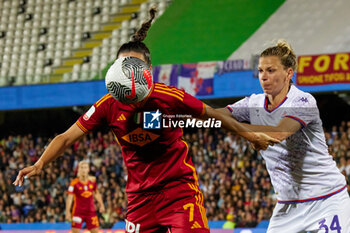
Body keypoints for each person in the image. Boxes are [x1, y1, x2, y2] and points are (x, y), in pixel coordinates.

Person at [13, 8, 278, 233]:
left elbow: (213, 116)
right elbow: (67, 137)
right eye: (122, 67)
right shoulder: (107, 105)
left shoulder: (170, 97)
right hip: (139, 199)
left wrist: (251, 136)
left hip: (177, 190)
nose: (128, 74)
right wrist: (40, 163)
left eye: (135, 67)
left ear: (148, 71)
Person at [220, 40, 350, 232]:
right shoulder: (254, 102)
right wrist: (184, 109)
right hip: (288, 206)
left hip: (327, 200)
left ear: (289, 73)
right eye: (261, 70)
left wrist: (244, 131)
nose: (263, 77)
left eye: (271, 70)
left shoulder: (303, 101)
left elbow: (279, 132)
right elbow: (217, 115)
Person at [65, 161, 105, 233]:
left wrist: (101, 205)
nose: (83, 170)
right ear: (79, 170)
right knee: (75, 232)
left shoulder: (93, 180)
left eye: (85, 167)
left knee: (95, 231)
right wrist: (67, 211)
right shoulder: (74, 183)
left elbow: (96, 193)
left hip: (91, 211)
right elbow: (70, 198)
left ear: (88, 169)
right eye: (81, 168)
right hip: (78, 212)